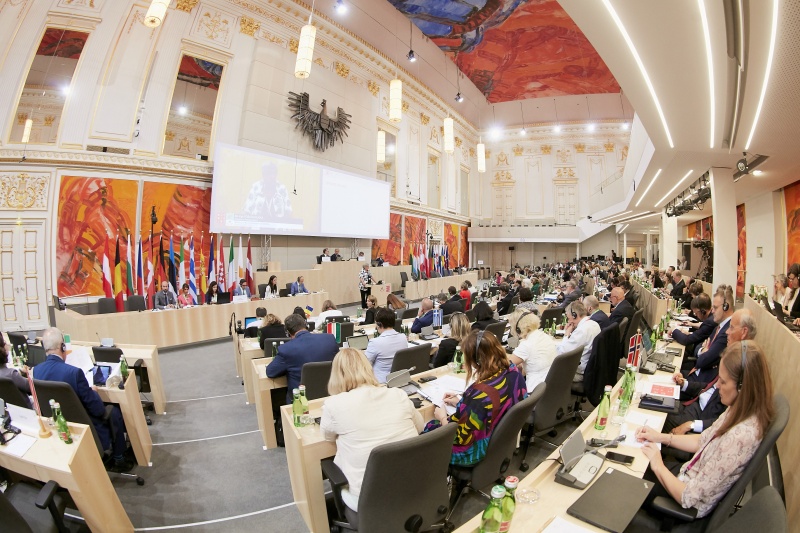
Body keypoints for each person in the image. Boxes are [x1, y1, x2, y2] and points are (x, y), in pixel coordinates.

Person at [635, 340, 774, 520]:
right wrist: (660, 437)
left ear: (742, 387)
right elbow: (702, 440)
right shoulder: (739, 408)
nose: (717, 386)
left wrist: (658, 463)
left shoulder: (742, 436)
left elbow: (687, 497)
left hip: (683, 503)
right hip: (685, 475)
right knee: (637, 458)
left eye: (723, 382)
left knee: (627, 475)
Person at [320, 348, 423, 511]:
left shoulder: (333, 405)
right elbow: (421, 427)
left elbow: (327, 437)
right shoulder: (398, 394)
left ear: (336, 375)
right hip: (413, 486)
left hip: (369, 500)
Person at [34, 328, 133, 472]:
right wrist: (92, 392)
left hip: (61, 427)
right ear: (63, 347)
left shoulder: (36, 371)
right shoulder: (74, 373)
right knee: (114, 411)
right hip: (87, 428)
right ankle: (119, 458)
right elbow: (98, 410)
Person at [430, 329, 527, 466]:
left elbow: (457, 438)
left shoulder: (479, 395)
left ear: (477, 361)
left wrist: (442, 417)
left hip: (473, 451)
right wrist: (462, 402)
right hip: (498, 441)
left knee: (428, 430)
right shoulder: (513, 372)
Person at [665, 309, 757, 435]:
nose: (726, 332)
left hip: (701, 421)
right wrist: (684, 384)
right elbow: (710, 387)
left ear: (744, 332)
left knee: (656, 415)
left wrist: (692, 425)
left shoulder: (745, 365)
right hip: (695, 405)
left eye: (731, 327)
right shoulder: (734, 353)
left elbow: (728, 419)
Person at [266, 314, 339, 403]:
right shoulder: (329, 339)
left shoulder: (286, 349)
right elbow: (339, 363)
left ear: (287, 332)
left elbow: (270, 372)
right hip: (332, 394)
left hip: (302, 401)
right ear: (306, 326)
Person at [684, 286, 733, 383]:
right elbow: (701, 348)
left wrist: (703, 351)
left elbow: (702, 361)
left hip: (701, 380)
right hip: (698, 373)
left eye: (715, 307)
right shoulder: (719, 327)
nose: (712, 311)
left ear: (725, 307)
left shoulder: (726, 332)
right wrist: (703, 350)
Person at [509, 311, 557, 391]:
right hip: (550, 386)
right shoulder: (545, 336)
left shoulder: (527, 345)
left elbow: (505, 363)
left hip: (535, 391)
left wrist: (500, 351)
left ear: (518, 329)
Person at [365, 308, 408, 383]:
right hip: (399, 379)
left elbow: (365, 364)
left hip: (380, 382)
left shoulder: (375, 342)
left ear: (379, 324)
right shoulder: (403, 337)